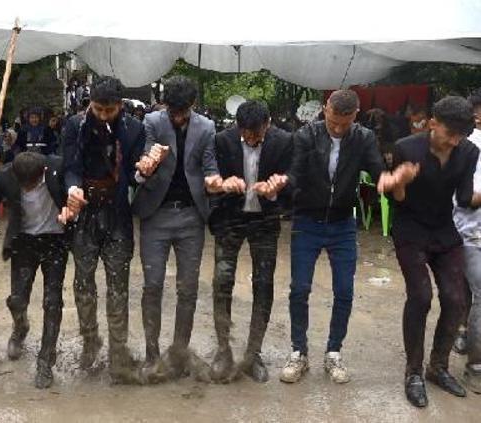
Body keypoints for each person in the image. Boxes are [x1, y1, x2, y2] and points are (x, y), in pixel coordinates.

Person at [379, 96, 480, 407]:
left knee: (456, 299)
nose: (454, 142)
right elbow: (396, 198)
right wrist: (399, 181)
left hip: (444, 229)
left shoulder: (469, 151)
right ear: (433, 123)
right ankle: (413, 372)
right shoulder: (406, 148)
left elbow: (464, 199)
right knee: (421, 296)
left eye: (461, 136)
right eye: (450, 134)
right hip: (410, 229)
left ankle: (438, 367)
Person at [280, 89, 385, 384]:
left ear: (355, 115)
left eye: (345, 123)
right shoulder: (306, 135)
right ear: (326, 108)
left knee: (344, 291)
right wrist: (283, 183)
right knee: (299, 288)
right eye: (333, 122)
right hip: (307, 220)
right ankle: (298, 352)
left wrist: (388, 179)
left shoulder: (363, 138)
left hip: (342, 224)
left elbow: (378, 170)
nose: (338, 129)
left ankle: (334, 352)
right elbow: (295, 172)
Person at [132, 76, 224, 382]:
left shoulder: (207, 128)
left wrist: (214, 181)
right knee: (152, 285)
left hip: (191, 217)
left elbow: (209, 165)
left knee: (188, 288)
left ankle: (180, 353)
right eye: (173, 111)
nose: (178, 117)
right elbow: (145, 158)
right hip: (155, 214)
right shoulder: (151, 122)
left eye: (183, 112)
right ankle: (151, 355)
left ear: (193, 106)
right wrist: (147, 166)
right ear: (164, 105)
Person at [61, 76, 145, 382]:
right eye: (98, 109)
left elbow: (134, 173)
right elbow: (70, 166)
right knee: (83, 281)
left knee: (118, 285)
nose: (104, 115)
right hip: (85, 212)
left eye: (110, 110)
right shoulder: (75, 126)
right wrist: (72, 188)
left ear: (120, 106)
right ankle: (90, 341)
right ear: (91, 104)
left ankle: (118, 349)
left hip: (117, 212)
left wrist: (144, 171)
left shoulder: (134, 129)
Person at [208, 100, 291, 383]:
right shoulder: (222, 140)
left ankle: (254, 353)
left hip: (265, 221)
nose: (250, 139)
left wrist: (277, 188)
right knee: (222, 282)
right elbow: (211, 178)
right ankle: (223, 350)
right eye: (245, 134)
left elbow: (294, 180)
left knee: (263, 283)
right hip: (230, 218)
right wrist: (222, 184)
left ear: (268, 124)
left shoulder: (284, 141)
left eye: (256, 134)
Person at [0, 152, 68, 389]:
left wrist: (72, 204)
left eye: (31, 184)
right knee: (17, 299)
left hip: (55, 241)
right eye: (22, 184)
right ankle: (20, 327)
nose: (26, 189)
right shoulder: (6, 175)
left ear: (42, 173)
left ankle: (45, 361)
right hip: (23, 242)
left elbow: (76, 184)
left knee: (52, 302)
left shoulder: (57, 168)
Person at [453, 90, 481, 395]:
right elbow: (465, 198)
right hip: (471, 233)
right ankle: (476, 364)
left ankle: (464, 334)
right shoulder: (469, 146)